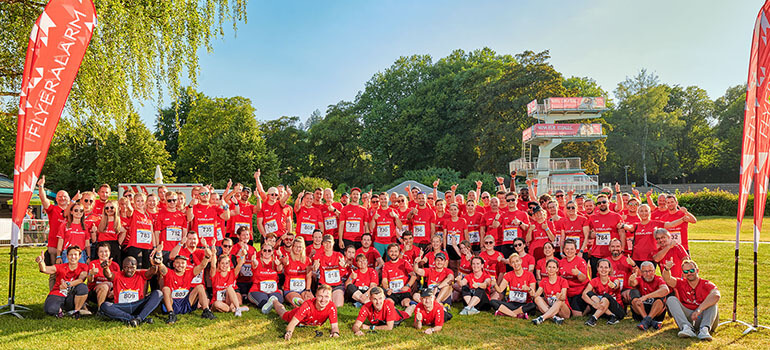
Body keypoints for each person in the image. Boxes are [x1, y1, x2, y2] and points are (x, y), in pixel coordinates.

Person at [99, 253, 164, 326]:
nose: (129, 270)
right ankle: (135, 319)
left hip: (138, 305)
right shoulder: (118, 275)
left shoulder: (140, 274)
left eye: (132, 267)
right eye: (126, 267)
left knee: (158, 293)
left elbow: (151, 272)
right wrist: (106, 268)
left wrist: (154, 265)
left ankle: (139, 318)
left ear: (136, 267)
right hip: (122, 307)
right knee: (105, 306)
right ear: (122, 267)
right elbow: (109, 275)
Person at [663, 259, 720, 341]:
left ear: (697, 270)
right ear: (683, 273)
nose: (689, 273)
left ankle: (704, 330)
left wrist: (699, 310)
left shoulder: (706, 283)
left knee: (712, 302)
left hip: (705, 317)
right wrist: (667, 269)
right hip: (689, 317)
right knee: (671, 299)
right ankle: (686, 328)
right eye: (686, 272)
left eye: (692, 270)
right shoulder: (681, 283)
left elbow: (716, 295)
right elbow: (667, 279)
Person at [158, 245, 215, 324]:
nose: (180, 265)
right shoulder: (169, 273)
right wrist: (158, 256)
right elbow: (161, 266)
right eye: (177, 262)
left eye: (182, 263)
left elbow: (202, 266)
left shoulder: (190, 272)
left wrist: (207, 257)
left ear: (186, 265)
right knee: (166, 289)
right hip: (172, 303)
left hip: (186, 302)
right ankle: (171, 314)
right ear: (174, 264)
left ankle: (206, 311)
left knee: (200, 287)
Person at [273, 285, 340, 340]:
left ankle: (299, 302)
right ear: (316, 296)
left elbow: (334, 326)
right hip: (300, 319)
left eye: (326, 297)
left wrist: (335, 333)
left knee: (303, 306)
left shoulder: (331, 307)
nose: (323, 300)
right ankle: (274, 300)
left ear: (331, 298)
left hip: (311, 321)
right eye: (320, 296)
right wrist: (289, 332)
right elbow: (292, 323)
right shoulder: (307, 306)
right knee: (283, 314)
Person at [37, 246, 89, 318]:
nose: (73, 257)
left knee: (83, 287)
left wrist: (68, 284)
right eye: (70, 255)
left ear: (80, 256)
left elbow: (81, 280)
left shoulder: (84, 266)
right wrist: (41, 262)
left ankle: (76, 311)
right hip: (59, 292)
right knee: (50, 310)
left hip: (71, 294)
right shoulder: (60, 266)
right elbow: (45, 269)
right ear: (67, 256)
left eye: (75, 255)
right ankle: (59, 310)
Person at [38, 176, 70, 287]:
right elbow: (43, 199)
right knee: (54, 271)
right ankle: (53, 294)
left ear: (69, 199)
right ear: (56, 199)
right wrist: (41, 186)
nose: (62, 198)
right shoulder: (53, 209)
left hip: (69, 245)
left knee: (69, 273)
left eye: (64, 196)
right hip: (54, 245)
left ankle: (67, 295)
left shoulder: (74, 210)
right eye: (59, 196)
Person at [587, 194, 625, 278]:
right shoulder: (592, 217)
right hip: (597, 254)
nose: (602, 204)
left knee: (613, 277)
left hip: (612, 253)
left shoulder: (616, 216)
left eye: (604, 202)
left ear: (608, 203)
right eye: (599, 203)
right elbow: (587, 234)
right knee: (595, 277)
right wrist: (591, 234)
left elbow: (622, 233)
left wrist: (622, 249)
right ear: (597, 205)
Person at [490, 253, 537, 319]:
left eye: (517, 261)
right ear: (511, 264)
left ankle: (506, 313)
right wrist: (495, 284)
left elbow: (533, 294)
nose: (515, 264)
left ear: (521, 261)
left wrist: (528, 289)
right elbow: (500, 290)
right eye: (513, 262)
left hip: (524, 304)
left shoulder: (529, 275)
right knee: (492, 302)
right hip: (511, 303)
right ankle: (516, 314)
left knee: (532, 305)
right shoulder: (508, 275)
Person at [582, 259, 625, 326]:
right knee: (589, 293)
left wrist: (614, 285)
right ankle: (611, 316)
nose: (603, 269)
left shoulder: (614, 279)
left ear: (609, 269)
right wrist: (593, 304)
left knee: (606, 296)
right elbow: (584, 295)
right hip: (601, 309)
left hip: (617, 310)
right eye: (601, 267)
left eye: (606, 267)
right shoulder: (594, 280)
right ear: (597, 269)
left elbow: (616, 284)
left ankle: (593, 318)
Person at [629, 261, 668, 331]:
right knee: (633, 292)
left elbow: (665, 290)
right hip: (641, 311)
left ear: (654, 271)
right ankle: (649, 321)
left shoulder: (658, 279)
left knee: (661, 297)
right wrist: (631, 280)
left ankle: (646, 321)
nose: (648, 274)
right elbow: (632, 284)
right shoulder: (639, 279)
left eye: (650, 271)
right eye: (645, 271)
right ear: (641, 272)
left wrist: (646, 296)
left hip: (656, 311)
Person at [247, 240, 285, 314]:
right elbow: (255, 264)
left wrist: (280, 262)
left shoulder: (275, 261)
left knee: (279, 301)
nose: (267, 252)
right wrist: (253, 260)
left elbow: (280, 269)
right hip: (257, 289)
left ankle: (275, 304)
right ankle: (271, 302)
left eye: (269, 250)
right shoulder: (258, 261)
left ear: (272, 252)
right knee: (263, 302)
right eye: (265, 250)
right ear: (261, 251)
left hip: (273, 290)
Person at [210, 247, 249, 316]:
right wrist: (213, 254)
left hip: (228, 301)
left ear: (229, 264)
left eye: (226, 263)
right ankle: (233, 309)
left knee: (230, 288)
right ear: (218, 264)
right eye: (222, 263)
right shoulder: (215, 275)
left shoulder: (232, 273)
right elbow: (213, 266)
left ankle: (237, 309)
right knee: (217, 304)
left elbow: (239, 265)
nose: (224, 265)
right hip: (219, 302)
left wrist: (243, 255)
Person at [490, 192, 530, 260]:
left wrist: (520, 223)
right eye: (508, 200)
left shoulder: (523, 214)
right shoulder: (503, 214)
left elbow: (527, 228)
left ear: (517, 200)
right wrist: (496, 218)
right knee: (507, 266)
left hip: (518, 245)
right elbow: (495, 226)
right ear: (506, 202)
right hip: (506, 244)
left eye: (513, 200)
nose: (510, 202)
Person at [531, 259, 569, 325]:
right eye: (549, 267)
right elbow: (536, 295)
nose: (551, 269)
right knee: (537, 298)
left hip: (562, 310)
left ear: (557, 269)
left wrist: (560, 296)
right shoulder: (543, 281)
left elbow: (563, 297)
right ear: (546, 269)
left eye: (554, 267)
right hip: (550, 307)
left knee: (559, 300)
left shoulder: (563, 281)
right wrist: (530, 291)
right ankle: (554, 318)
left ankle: (542, 318)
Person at [313, 234, 347, 307]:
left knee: (338, 305)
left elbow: (344, 273)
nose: (328, 245)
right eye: (325, 243)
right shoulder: (319, 255)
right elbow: (314, 271)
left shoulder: (339, 255)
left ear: (333, 243)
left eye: (329, 242)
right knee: (325, 304)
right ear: (323, 244)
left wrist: (343, 267)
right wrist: (315, 268)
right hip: (324, 285)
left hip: (337, 285)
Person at [155, 191, 188, 264]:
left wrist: (183, 245)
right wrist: (157, 246)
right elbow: (157, 232)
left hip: (178, 248)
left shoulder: (182, 215)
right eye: (169, 200)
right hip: (165, 249)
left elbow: (184, 231)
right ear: (166, 201)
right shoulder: (161, 215)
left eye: (174, 200)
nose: (172, 202)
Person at [558, 239, 588, 317]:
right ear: (564, 250)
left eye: (572, 249)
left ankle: (588, 308)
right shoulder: (561, 262)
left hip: (578, 292)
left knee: (576, 315)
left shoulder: (581, 261)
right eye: (567, 249)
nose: (569, 251)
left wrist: (578, 273)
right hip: (566, 292)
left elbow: (583, 279)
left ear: (575, 250)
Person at [382, 243, 417, 308]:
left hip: (403, 292)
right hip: (392, 292)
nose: (393, 253)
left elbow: (414, 276)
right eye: (391, 251)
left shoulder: (404, 262)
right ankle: (395, 315)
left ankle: (414, 305)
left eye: (395, 251)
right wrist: (387, 289)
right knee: (389, 304)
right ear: (388, 252)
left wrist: (408, 285)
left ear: (399, 252)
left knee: (406, 303)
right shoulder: (385, 265)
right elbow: (384, 280)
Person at [282, 238, 314, 307]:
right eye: (296, 246)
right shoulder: (288, 258)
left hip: (303, 289)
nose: (297, 249)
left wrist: (307, 290)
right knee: (299, 303)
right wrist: (284, 262)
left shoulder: (307, 260)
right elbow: (283, 263)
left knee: (311, 302)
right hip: (290, 290)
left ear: (303, 248)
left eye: (300, 247)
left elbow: (308, 276)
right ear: (292, 247)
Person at [87, 243, 120, 309]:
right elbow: (90, 281)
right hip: (96, 291)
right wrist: (91, 274)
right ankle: (100, 310)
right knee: (104, 286)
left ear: (110, 252)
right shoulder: (93, 263)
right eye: (101, 251)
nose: (103, 254)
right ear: (98, 253)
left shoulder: (115, 265)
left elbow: (119, 281)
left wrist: (115, 291)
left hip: (111, 292)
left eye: (106, 251)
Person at [95, 200, 125, 264]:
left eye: (112, 207)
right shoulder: (99, 222)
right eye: (107, 208)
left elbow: (123, 234)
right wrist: (93, 232)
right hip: (101, 246)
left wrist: (118, 243)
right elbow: (94, 239)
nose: (109, 209)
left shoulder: (120, 223)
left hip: (114, 247)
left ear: (116, 209)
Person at [442, 203, 468, 272]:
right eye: (451, 210)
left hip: (460, 246)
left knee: (460, 265)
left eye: (455, 209)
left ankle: (459, 280)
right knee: (452, 266)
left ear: (458, 210)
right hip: (450, 246)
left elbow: (466, 235)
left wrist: (467, 248)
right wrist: (444, 248)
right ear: (449, 211)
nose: (453, 212)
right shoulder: (446, 221)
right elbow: (444, 236)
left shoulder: (463, 221)